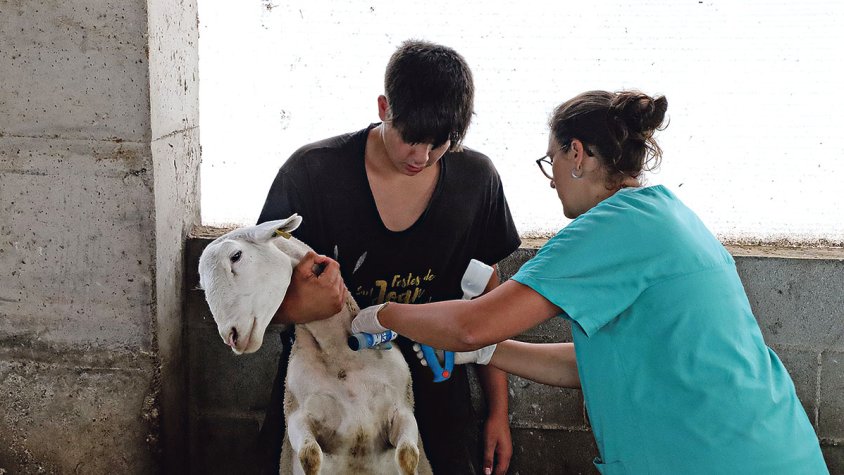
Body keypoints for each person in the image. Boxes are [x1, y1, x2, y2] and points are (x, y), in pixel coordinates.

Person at [352, 90, 830, 474]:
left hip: (714, 456)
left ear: (576, 153)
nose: (553, 179)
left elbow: (474, 323)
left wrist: (380, 315)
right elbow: (596, 365)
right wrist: (484, 354)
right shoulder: (667, 214)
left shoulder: (610, 228)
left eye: (551, 161)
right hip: (772, 446)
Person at [255, 40, 520, 475]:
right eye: (410, 139)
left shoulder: (477, 181)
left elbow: (486, 303)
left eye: (440, 144)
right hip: (326, 390)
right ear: (384, 107)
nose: (422, 157)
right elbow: (257, 298)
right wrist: (302, 307)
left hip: (434, 389)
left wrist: (498, 412)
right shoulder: (313, 174)